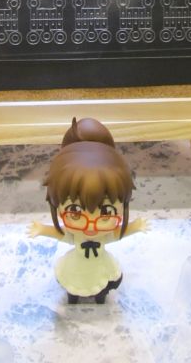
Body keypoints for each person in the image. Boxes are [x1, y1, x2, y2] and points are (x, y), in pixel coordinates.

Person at [29, 117, 148, 303]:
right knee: (73, 290)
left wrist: (135, 227)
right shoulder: (76, 236)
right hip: (75, 270)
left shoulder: (102, 236)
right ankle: (73, 299)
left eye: (106, 212)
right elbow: (61, 235)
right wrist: (42, 229)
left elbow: (118, 234)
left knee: (102, 289)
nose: (91, 225)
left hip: (100, 269)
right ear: (57, 206)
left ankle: (100, 299)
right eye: (75, 211)